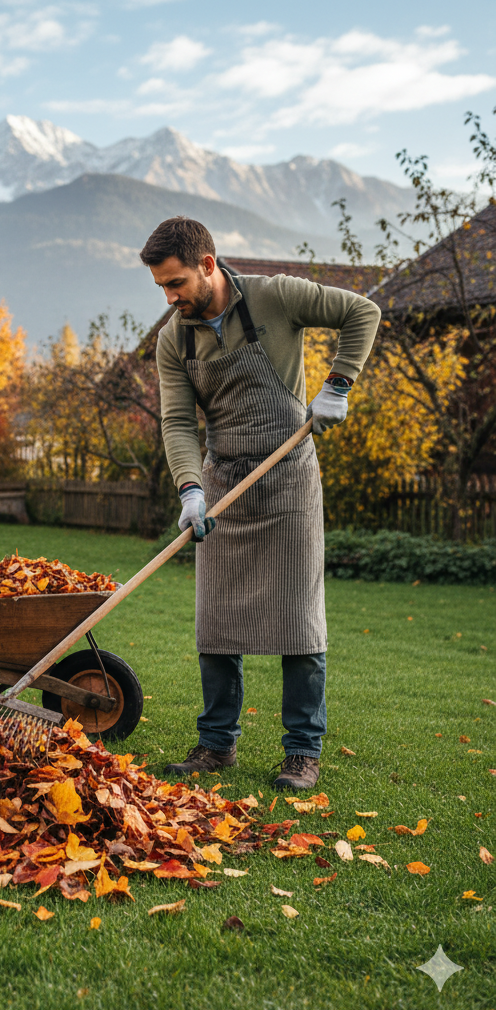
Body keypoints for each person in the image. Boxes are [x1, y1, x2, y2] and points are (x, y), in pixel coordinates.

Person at [142, 217, 380, 789]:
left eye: (175, 283)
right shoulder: (175, 339)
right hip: (223, 485)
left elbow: (362, 312)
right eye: (161, 287)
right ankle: (216, 745)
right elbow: (178, 422)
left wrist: (339, 384)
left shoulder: (276, 295)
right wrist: (191, 490)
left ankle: (302, 753)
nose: (170, 298)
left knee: (300, 621)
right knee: (216, 621)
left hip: (289, 478)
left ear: (207, 265)